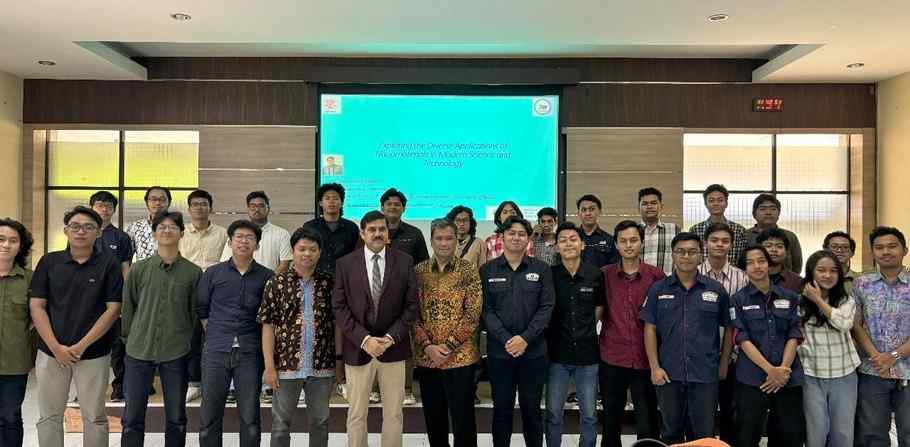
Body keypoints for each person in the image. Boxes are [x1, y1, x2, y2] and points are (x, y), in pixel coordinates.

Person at [30, 206, 123, 447]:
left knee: (94, 417)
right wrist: (56, 347)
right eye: (75, 226)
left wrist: (80, 346)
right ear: (66, 230)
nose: (81, 231)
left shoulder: (109, 264)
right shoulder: (49, 262)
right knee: (49, 416)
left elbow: (113, 309)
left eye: (88, 227)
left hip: (94, 353)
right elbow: (37, 306)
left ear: (98, 232)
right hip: (51, 352)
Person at [332, 210, 419, 447]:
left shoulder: (404, 261)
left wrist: (390, 337)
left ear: (388, 233)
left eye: (382, 229)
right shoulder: (345, 264)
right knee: (356, 414)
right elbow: (339, 307)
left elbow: (412, 306)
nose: (377, 234)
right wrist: (365, 339)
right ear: (362, 234)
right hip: (358, 349)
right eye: (372, 230)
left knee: (394, 414)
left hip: (394, 348)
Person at [640, 232, 733, 444]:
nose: (686, 256)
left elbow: (729, 328)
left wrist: (723, 363)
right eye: (680, 251)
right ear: (673, 255)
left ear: (700, 255)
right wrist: (654, 367)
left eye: (692, 252)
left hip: (705, 375)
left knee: (703, 434)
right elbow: (649, 328)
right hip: (669, 374)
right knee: (671, 432)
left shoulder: (716, 290)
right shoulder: (658, 289)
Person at [121, 211, 202, 447]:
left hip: (176, 352)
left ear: (182, 233)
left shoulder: (193, 272)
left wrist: (188, 345)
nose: (167, 231)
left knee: (176, 417)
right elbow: (129, 307)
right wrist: (129, 341)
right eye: (162, 227)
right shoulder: (138, 269)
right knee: (132, 417)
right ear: (154, 234)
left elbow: (194, 315)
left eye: (172, 227)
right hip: (138, 350)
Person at [259, 227, 340, 447]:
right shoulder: (276, 283)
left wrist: (339, 363)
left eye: (312, 249)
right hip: (285, 367)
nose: (307, 254)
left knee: (320, 422)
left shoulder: (329, 283)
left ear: (320, 252)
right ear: (293, 251)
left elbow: (337, 324)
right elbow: (268, 326)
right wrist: (269, 367)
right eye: (302, 249)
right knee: (280, 423)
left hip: (322, 366)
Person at [198, 220, 275, 447]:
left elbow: (270, 317)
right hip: (216, 351)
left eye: (249, 238)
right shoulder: (213, 273)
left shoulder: (267, 276)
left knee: (250, 417)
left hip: (250, 352)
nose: (244, 241)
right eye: (239, 237)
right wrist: (216, 334)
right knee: (209, 415)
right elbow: (202, 309)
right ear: (230, 242)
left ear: (257, 245)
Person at [481, 216, 555, 447]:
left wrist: (524, 338)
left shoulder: (542, 269)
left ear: (528, 239)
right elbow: (485, 310)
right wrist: (507, 339)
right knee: (501, 409)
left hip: (533, 353)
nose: (516, 237)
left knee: (531, 409)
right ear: (501, 237)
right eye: (511, 233)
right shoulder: (487, 270)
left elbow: (546, 307)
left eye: (521, 233)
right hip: (499, 353)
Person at [413, 219, 482, 447]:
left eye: (449, 238)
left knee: (464, 420)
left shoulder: (468, 270)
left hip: (461, 358)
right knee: (434, 419)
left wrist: (449, 346)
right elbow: (412, 314)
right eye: (439, 238)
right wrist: (428, 347)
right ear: (431, 240)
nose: (444, 243)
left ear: (456, 240)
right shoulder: (418, 272)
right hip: (428, 358)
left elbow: (473, 313)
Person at [730, 244, 805, 447]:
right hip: (752, 378)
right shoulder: (737, 300)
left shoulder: (790, 297)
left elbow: (794, 334)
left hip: (788, 377)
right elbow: (742, 339)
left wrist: (783, 370)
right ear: (744, 269)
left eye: (761, 261)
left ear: (768, 264)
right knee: (747, 435)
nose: (757, 266)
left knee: (789, 436)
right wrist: (770, 370)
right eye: (750, 263)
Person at [600, 220, 663, 447]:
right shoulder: (604, 275)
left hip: (646, 358)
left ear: (642, 243)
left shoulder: (656, 276)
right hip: (612, 356)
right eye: (623, 241)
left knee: (647, 418)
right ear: (616, 245)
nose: (628, 245)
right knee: (610, 417)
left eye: (634, 240)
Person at [545, 222, 605, 447]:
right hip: (556, 354)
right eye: (563, 240)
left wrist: (585, 327)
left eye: (573, 239)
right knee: (553, 413)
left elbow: (599, 306)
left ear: (582, 245)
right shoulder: (549, 274)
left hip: (587, 354)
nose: (568, 243)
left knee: (589, 414)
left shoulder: (595, 274)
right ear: (556, 247)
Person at [852, 226, 910, 446]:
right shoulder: (862, 283)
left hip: (908, 368)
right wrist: (878, 357)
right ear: (873, 252)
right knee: (872, 432)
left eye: (892, 246)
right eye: (879, 247)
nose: (886, 251)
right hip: (872, 369)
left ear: (905, 250)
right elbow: (855, 324)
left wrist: (893, 356)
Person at [798, 250, 861, 447]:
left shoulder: (846, 300)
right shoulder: (798, 301)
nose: (827, 275)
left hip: (844, 374)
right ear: (811, 272)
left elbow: (844, 324)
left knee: (842, 432)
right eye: (821, 270)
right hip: (811, 374)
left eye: (833, 271)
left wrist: (818, 300)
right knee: (816, 430)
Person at [696, 222, 749, 444]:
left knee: (730, 413)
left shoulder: (742, 278)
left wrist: (728, 358)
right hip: (699, 357)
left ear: (732, 245)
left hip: (734, 357)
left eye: (725, 241)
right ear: (705, 243)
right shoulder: (693, 273)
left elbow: (743, 320)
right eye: (714, 240)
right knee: (701, 414)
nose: (720, 244)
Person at [179, 189, 229, 403]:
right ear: (189, 209)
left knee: (214, 337)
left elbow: (227, 261)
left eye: (204, 204)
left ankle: (215, 382)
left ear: (211, 208)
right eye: (195, 204)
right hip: (186, 290)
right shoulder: (180, 232)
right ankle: (193, 382)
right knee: (190, 336)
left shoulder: (223, 233)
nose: (199, 208)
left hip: (216, 292)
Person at [378, 188, 427, 405]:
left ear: (403, 208)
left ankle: (406, 389)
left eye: (397, 204)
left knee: (404, 342)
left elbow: (423, 265)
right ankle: (376, 388)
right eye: (389, 204)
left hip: (405, 298)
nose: (393, 207)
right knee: (377, 340)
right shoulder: (373, 231)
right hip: (376, 296)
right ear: (382, 207)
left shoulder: (414, 233)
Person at [89, 190, 134, 402]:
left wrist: (127, 297)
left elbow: (126, 268)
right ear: (92, 208)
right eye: (100, 204)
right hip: (89, 296)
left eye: (108, 205)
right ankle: (88, 389)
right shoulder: (84, 233)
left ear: (114, 210)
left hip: (114, 296)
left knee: (118, 345)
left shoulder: (121, 237)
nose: (104, 209)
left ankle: (120, 386)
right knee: (90, 342)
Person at [0, 219, 34, 447]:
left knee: (10, 418)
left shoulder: (30, 279)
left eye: (13, 240)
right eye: (1, 239)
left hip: (14, 363)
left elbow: (37, 318)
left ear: (21, 246)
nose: (6, 245)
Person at [220, 191, 292, 274]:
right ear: (248, 209)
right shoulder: (237, 234)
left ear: (268, 208)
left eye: (261, 206)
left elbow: (284, 265)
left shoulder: (282, 234)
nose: (257, 209)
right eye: (253, 206)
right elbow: (225, 262)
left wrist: (269, 280)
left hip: (270, 280)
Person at [303, 183, 360, 275]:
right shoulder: (310, 227)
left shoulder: (352, 228)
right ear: (320, 203)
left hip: (345, 276)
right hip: (316, 277)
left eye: (335, 198)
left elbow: (356, 255)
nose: (331, 201)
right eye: (327, 198)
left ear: (342, 203)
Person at [687, 184, 747, 266]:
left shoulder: (739, 230)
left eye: (720, 200)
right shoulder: (695, 230)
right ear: (706, 204)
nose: (716, 203)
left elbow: (742, 260)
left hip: (732, 273)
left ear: (726, 203)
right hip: (701, 273)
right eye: (711, 200)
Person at [744, 193, 803, 273]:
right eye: (763, 209)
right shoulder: (744, 235)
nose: (768, 212)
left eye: (773, 209)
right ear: (754, 214)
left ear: (779, 213)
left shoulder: (790, 236)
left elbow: (797, 265)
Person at [638, 187, 680, 276]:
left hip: (667, 283)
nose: (649, 206)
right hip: (638, 283)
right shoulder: (633, 231)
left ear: (661, 206)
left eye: (653, 203)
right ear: (639, 208)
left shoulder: (674, 230)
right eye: (645, 204)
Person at [127, 186, 172, 261]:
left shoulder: (177, 227)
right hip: (143, 268)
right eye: (153, 199)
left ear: (169, 202)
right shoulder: (135, 227)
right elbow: (126, 257)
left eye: (162, 199)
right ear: (146, 202)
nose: (157, 203)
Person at [576, 194, 619, 268]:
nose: (588, 213)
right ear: (578, 213)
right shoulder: (572, 239)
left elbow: (614, 268)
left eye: (592, 209)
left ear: (599, 212)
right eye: (584, 210)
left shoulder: (609, 240)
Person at [757, 228, 803, 293]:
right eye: (768, 246)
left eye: (779, 246)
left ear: (786, 252)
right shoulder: (747, 279)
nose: (774, 250)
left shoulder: (797, 282)